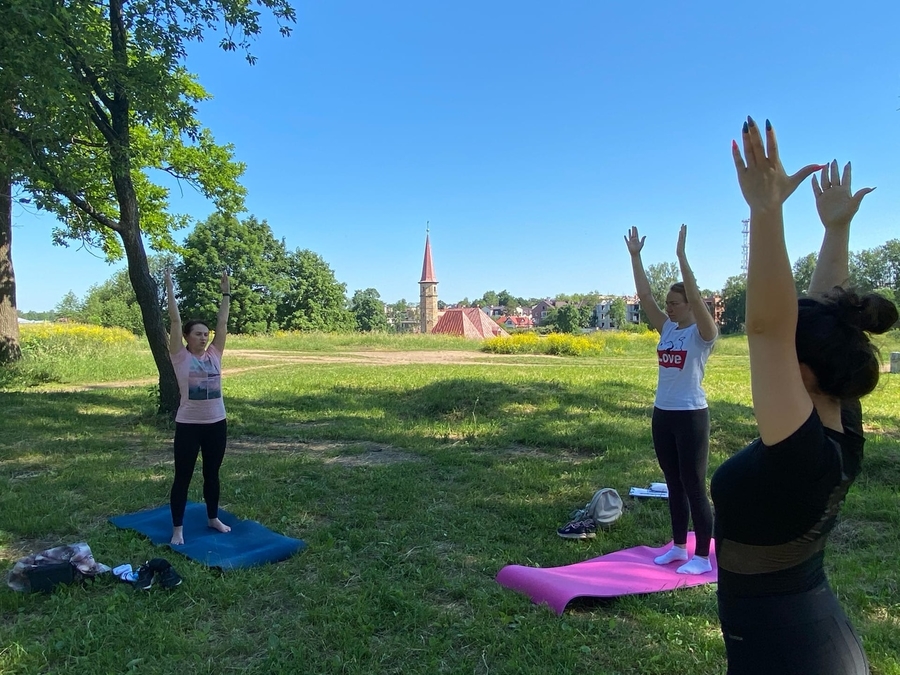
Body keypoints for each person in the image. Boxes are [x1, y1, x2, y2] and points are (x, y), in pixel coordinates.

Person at [712, 117, 897, 674]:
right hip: (812, 638)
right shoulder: (840, 417)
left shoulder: (800, 452)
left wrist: (766, 211)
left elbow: (770, 329)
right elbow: (823, 317)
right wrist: (835, 231)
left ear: (803, 373)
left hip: (789, 656)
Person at [623, 224, 718, 574]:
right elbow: (645, 297)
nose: (670, 308)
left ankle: (702, 557)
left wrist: (682, 258)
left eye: (676, 304)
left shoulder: (703, 333)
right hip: (663, 414)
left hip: (691, 415)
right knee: (673, 483)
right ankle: (679, 547)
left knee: (694, 485)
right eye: (669, 305)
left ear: (691, 304)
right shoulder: (667, 328)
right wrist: (636, 258)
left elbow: (693, 296)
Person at [164, 268, 234, 546]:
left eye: (206, 334)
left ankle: (212, 517)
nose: (204, 338)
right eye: (198, 334)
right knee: (182, 476)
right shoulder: (179, 356)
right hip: (189, 425)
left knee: (212, 473)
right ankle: (178, 528)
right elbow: (174, 318)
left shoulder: (215, 353)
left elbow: (223, 321)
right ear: (187, 337)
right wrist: (169, 286)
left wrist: (226, 293)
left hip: (217, 423)